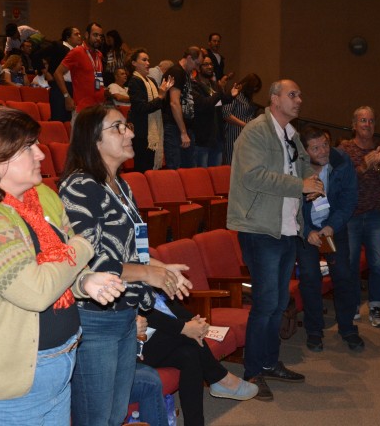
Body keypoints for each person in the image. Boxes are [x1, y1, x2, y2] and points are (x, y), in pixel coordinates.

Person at [0, 107, 125, 425]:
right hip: (0, 389)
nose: (41, 154)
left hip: (58, 369)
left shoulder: (44, 196)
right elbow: (35, 290)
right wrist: (85, 245)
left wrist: (84, 282)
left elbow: (57, 270)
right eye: (28, 147)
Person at [58, 104, 192, 426]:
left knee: (116, 414)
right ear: (94, 140)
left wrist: (161, 267)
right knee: (96, 417)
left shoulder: (122, 186)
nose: (130, 132)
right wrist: (150, 273)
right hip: (95, 318)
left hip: (125, 315)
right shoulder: (79, 186)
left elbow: (131, 251)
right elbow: (90, 258)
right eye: (118, 127)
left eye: (127, 125)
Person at [227, 80, 324, 401]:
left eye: (300, 94)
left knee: (278, 303)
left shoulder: (291, 135)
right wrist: (300, 185)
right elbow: (252, 176)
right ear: (274, 99)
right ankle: (254, 370)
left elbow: (302, 170)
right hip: (259, 227)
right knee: (266, 303)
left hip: (286, 228)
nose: (299, 99)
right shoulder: (255, 132)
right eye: (292, 95)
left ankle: (269, 362)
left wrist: (311, 180)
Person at [139, 296, 257, 426]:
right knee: (187, 336)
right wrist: (185, 327)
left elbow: (164, 304)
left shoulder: (145, 280)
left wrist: (193, 321)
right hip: (133, 348)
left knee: (190, 354)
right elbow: (146, 313)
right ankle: (220, 378)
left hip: (154, 339)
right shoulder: (123, 281)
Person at [297, 125, 363, 352]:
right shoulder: (295, 168)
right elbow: (288, 207)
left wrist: (331, 226)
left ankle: (347, 328)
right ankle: (314, 330)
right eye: (316, 148)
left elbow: (349, 200)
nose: (323, 151)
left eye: (325, 144)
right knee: (309, 277)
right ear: (304, 152)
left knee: (343, 275)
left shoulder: (341, 162)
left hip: (333, 226)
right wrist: (307, 232)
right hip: (305, 229)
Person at [339, 106, 380, 328]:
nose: (367, 125)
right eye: (363, 121)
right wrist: (364, 166)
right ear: (354, 125)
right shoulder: (343, 150)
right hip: (351, 215)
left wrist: (378, 166)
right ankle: (352, 305)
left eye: (371, 121)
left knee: (377, 263)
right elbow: (341, 183)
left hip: (376, 214)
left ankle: (376, 307)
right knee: (351, 263)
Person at [127, 48, 173, 172]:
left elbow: (158, 106)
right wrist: (161, 96)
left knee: (152, 169)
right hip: (142, 132)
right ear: (134, 63)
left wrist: (164, 94)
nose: (148, 63)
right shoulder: (134, 81)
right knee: (143, 169)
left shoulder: (151, 81)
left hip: (153, 131)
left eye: (148, 60)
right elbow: (142, 108)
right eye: (144, 60)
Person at [191, 57, 238, 167]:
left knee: (216, 176)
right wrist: (219, 90)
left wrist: (231, 95)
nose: (210, 67)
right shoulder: (194, 85)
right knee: (201, 177)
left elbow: (219, 102)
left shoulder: (214, 84)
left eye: (211, 64)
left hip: (217, 137)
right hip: (202, 138)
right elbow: (204, 104)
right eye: (206, 64)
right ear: (198, 68)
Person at [162, 46, 203, 170]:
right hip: (175, 128)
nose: (197, 68)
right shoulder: (176, 72)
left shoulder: (186, 74)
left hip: (184, 127)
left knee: (189, 169)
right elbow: (174, 103)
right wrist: (183, 132)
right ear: (189, 58)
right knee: (176, 168)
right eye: (196, 64)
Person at [54, 22, 105, 120]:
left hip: (98, 109)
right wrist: (66, 96)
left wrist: (102, 92)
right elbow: (57, 73)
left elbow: (97, 78)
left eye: (100, 36)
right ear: (86, 35)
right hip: (82, 109)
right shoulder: (77, 52)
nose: (98, 38)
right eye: (95, 35)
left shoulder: (99, 55)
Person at [39, 26, 82, 122]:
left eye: (80, 34)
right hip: (60, 86)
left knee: (71, 121)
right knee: (59, 120)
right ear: (68, 37)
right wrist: (46, 72)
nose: (80, 36)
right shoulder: (58, 46)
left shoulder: (81, 50)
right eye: (76, 34)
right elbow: (37, 56)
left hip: (74, 88)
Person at [222, 72, 262, 164]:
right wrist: (244, 124)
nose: (255, 91)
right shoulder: (236, 95)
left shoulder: (247, 98)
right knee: (233, 163)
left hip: (246, 136)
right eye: (254, 88)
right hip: (234, 133)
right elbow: (225, 113)